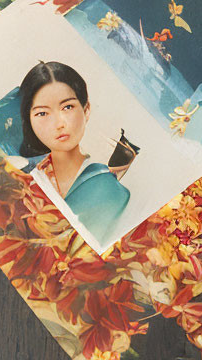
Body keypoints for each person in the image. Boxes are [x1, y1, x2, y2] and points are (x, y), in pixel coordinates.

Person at [17, 61, 130, 242]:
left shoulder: (110, 189)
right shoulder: (20, 171)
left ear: (86, 110)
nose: (59, 123)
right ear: (29, 120)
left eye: (67, 107)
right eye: (42, 113)